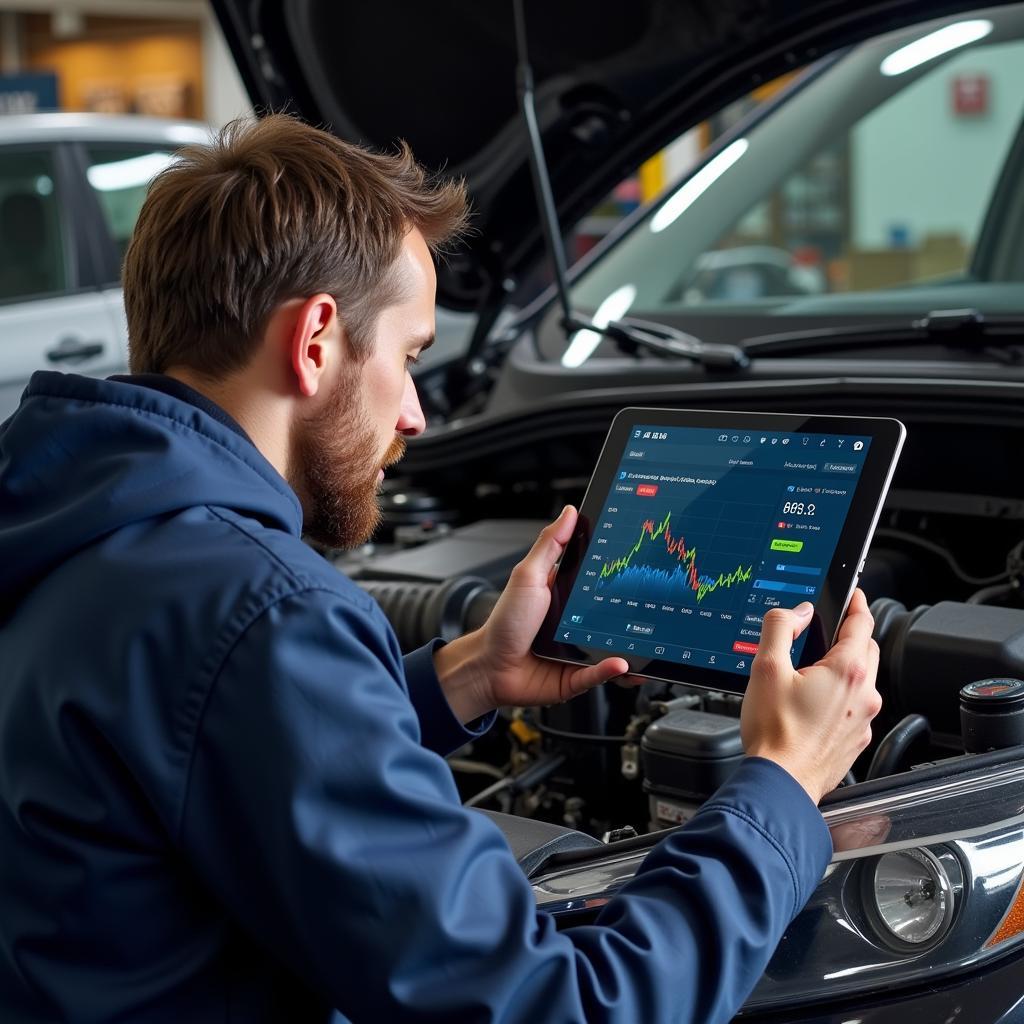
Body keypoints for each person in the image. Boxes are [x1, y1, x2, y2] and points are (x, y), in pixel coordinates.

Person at [0, 114, 881, 1024]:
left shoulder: (74, 531)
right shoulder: (260, 613)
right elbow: (555, 1009)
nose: (418, 414)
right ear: (313, 342)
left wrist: (467, 676)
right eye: (411, 355)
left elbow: (201, 758)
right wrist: (781, 784)